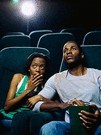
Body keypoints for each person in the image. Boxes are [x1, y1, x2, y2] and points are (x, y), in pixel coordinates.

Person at [9, 41, 101, 135]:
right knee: (49, 128)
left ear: (81, 55)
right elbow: (36, 104)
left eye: (73, 48)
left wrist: (99, 116)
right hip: (70, 125)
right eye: (65, 50)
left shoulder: (97, 75)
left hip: (97, 123)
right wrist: (60, 105)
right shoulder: (56, 78)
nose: (68, 52)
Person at [0, 52, 51, 129]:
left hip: (25, 121)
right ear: (29, 68)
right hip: (6, 117)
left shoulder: (47, 85)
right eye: (34, 66)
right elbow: (7, 107)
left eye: (42, 67)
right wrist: (28, 90)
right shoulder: (18, 78)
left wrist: (41, 97)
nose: (38, 70)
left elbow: (52, 105)